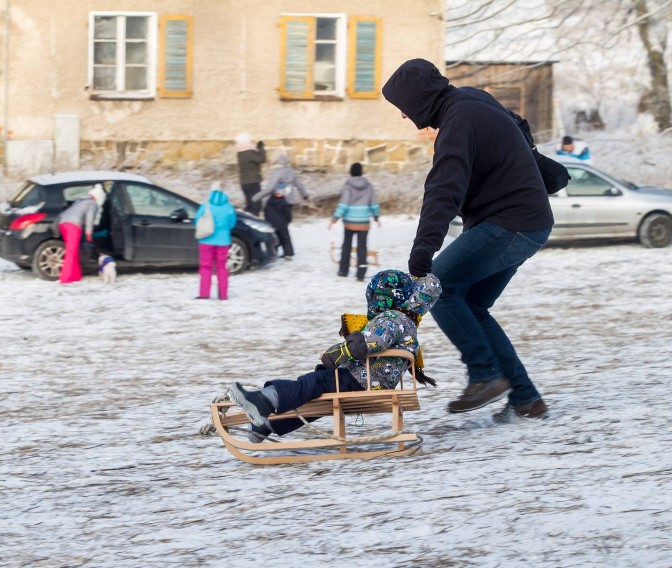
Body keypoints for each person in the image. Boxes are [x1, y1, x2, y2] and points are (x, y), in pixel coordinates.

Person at [381, 58, 553, 421]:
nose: (402, 116)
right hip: (525, 221)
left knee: (441, 288)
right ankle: (525, 398)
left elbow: (444, 188)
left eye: (402, 108)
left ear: (418, 99)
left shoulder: (458, 122)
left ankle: (485, 375)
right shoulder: (472, 99)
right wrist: (532, 164)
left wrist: (424, 248)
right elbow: (519, 125)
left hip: (512, 224)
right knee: (472, 305)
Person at [228, 270, 442, 440]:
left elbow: (370, 343)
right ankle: (267, 425)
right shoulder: (405, 320)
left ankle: (264, 400)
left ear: (383, 297)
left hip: (362, 381)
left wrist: (339, 353)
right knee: (317, 398)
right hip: (371, 381)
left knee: (315, 383)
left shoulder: (393, 318)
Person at [328, 162, 381, 281]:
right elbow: (373, 203)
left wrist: (334, 218)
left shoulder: (348, 185)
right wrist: (376, 217)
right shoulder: (369, 186)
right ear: (361, 172)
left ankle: (343, 270)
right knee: (362, 247)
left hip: (349, 222)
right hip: (363, 222)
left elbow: (344, 204)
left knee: (346, 245)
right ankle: (361, 274)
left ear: (351, 172)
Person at [254, 154, 310, 260]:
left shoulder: (276, 172)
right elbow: (299, 185)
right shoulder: (292, 172)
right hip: (289, 202)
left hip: (277, 202)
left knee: (274, 226)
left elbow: (269, 189)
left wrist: (255, 198)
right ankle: (287, 252)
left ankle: (274, 249)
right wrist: (305, 195)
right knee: (283, 227)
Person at [194, 182, 237, 300]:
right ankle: (223, 295)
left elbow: (197, 220)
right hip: (223, 242)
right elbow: (232, 223)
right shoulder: (228, 207)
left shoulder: (206, 205)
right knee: (222, 267)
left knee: (205, 267)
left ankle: (204, 294)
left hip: (206, 241)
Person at [57, 183, 106, 285]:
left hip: (63, 223)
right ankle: (65, 278)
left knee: (73, 251)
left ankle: (76, 275)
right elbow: (89, 217)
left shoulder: (81, 200)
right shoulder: (92, 203)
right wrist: (89, 232)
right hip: (73, 226)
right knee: (71, 252)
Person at [235, 133, 266, 216]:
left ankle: (248, 222)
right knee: (256, 206)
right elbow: (261, 159)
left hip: (244, 182)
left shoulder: (240, 152)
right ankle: (254, 224)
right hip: (253, 182)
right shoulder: (248, 152)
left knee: (250, 205)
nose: (252, 141)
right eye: (250, 140)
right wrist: (261, 148)